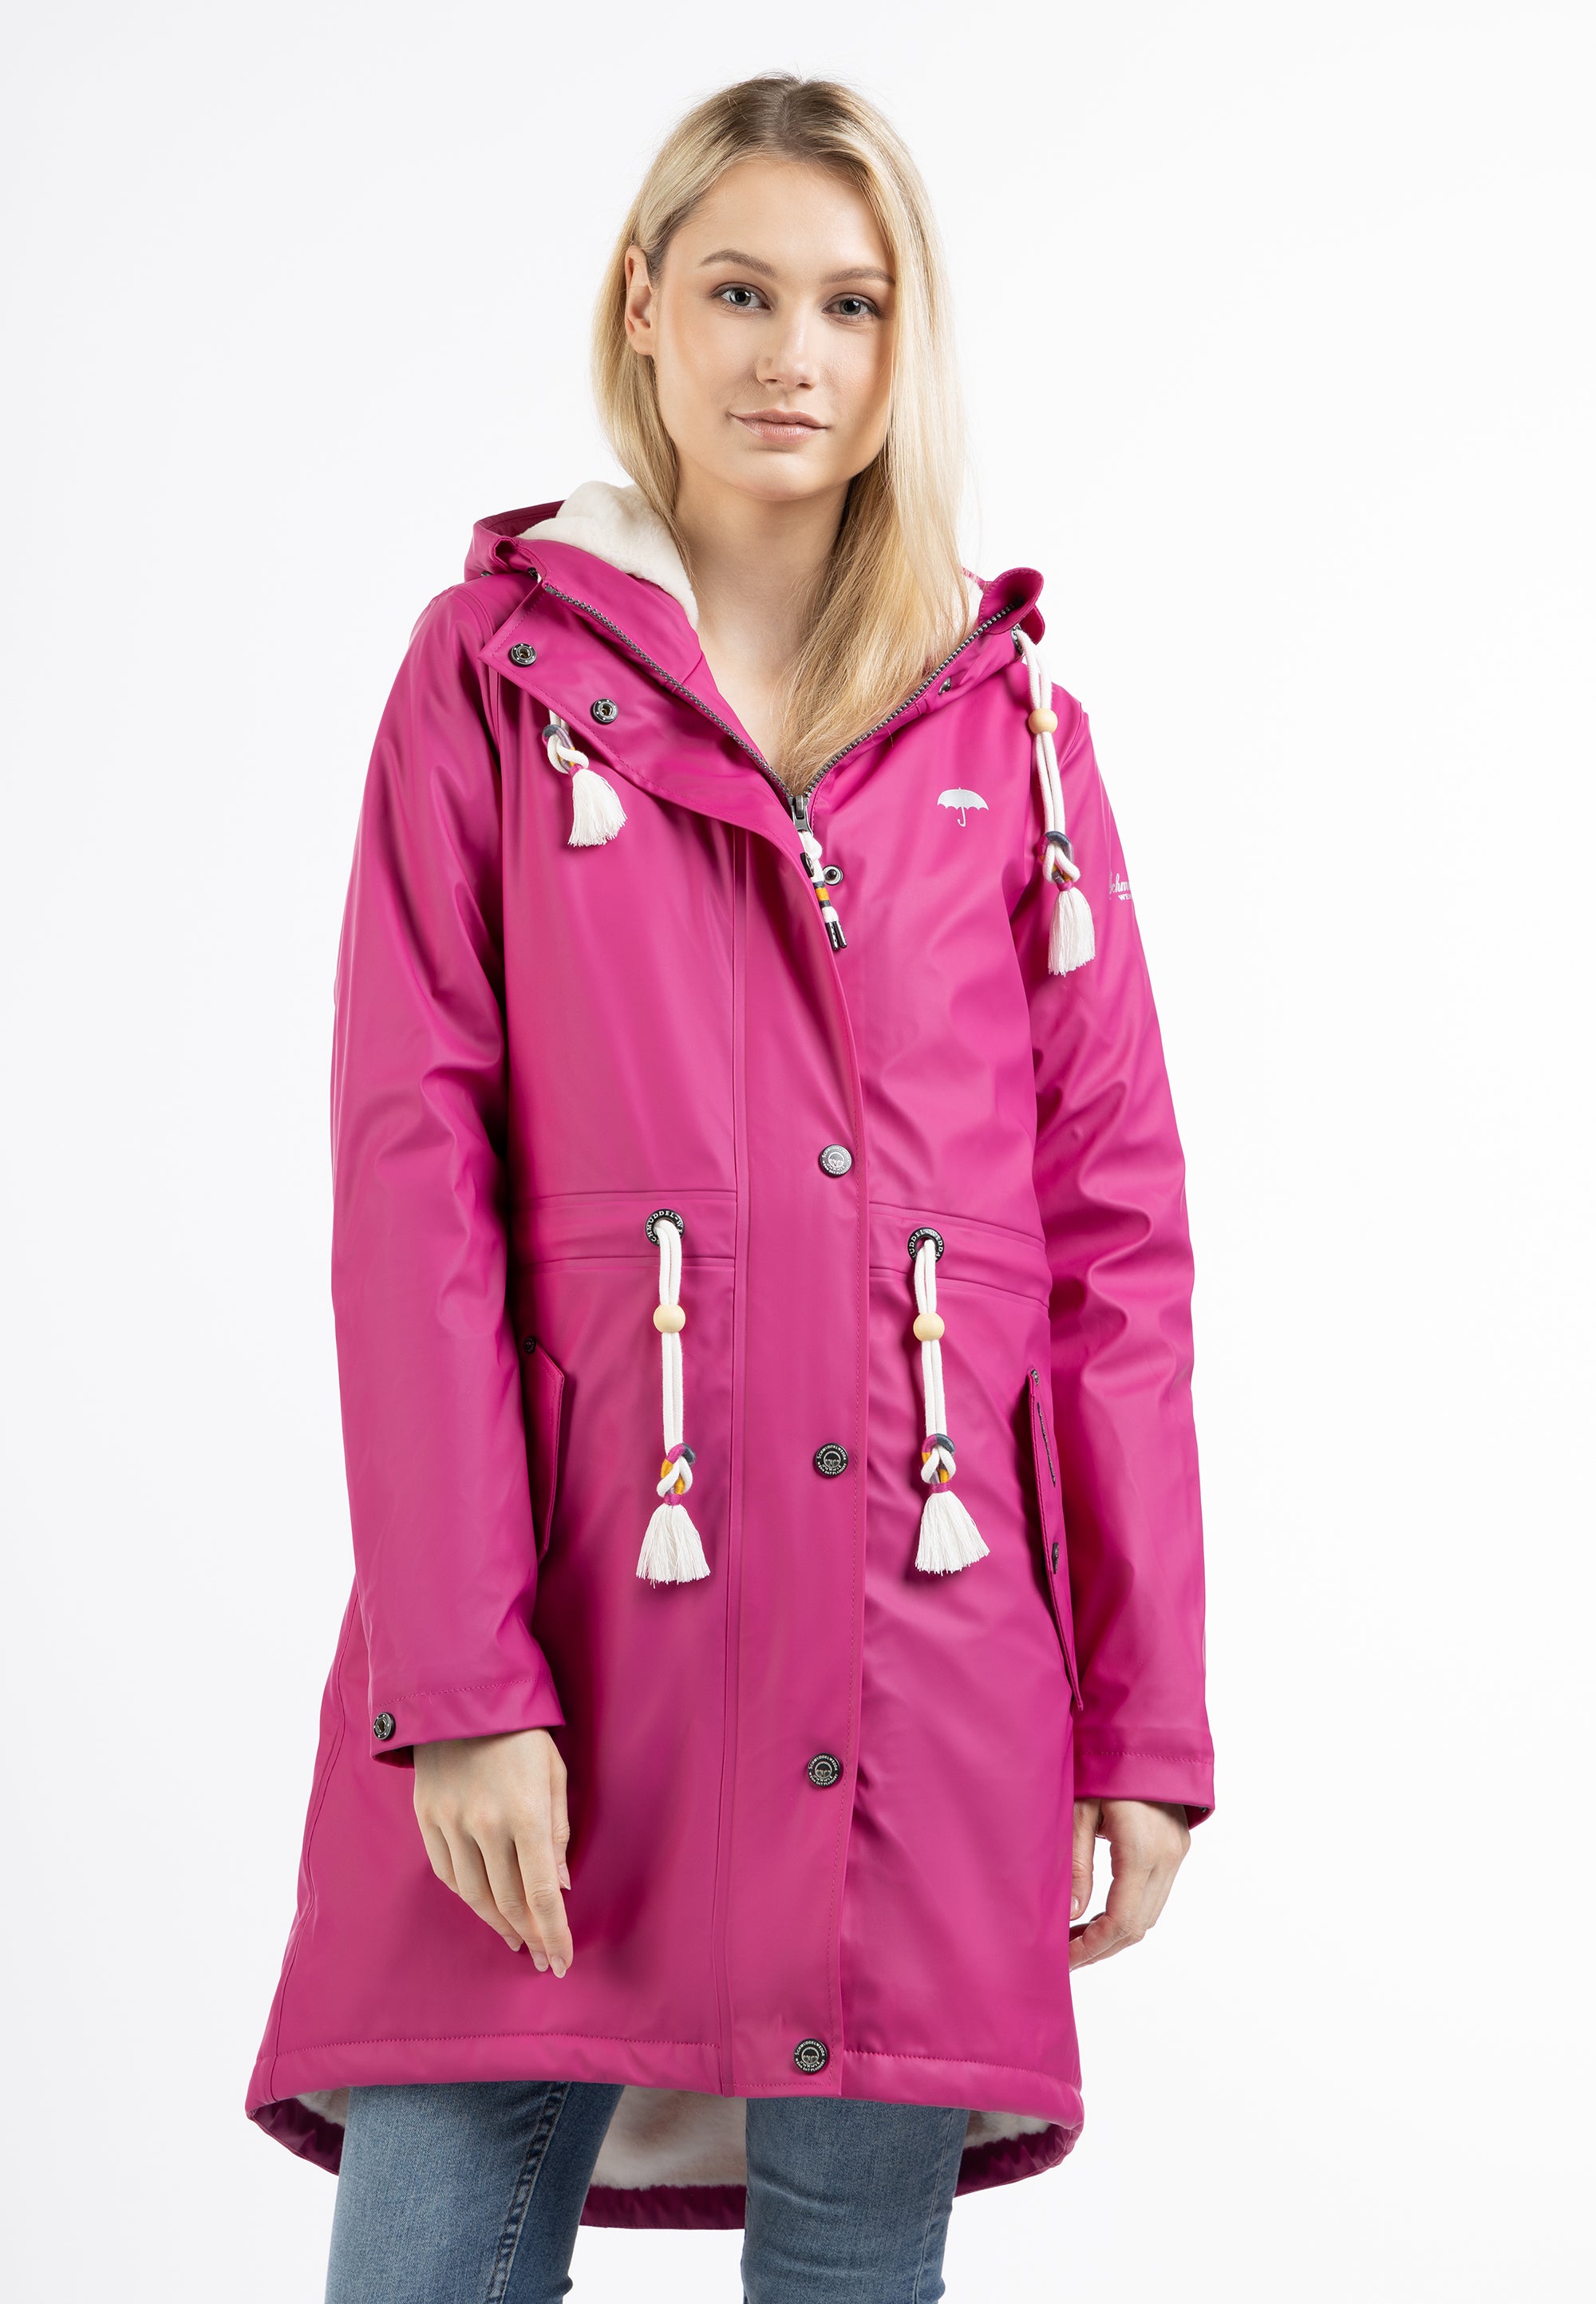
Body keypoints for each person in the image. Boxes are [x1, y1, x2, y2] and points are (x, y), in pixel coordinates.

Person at [246, 71, 1215, 2304]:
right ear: (645, 308)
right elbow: (411, 1189)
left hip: (925, 1653)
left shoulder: (1014, 741)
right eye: (743, 292)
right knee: (429, 2253)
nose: (797, 355)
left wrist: (1144, 1714)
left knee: (853, 2271)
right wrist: (459, 1685)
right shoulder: (493, 686)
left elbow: (1114, 1248)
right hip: (578, 1618)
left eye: (853, 305)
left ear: (907, 342)